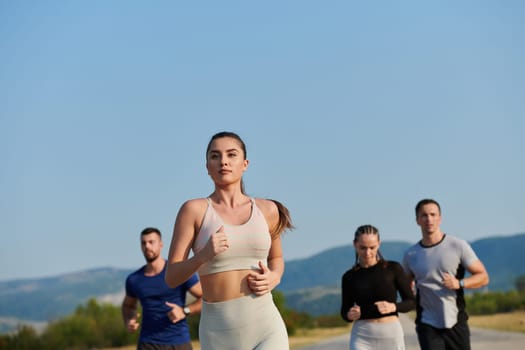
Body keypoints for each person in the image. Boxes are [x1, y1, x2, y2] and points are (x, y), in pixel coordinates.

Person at [164, 131, 294, 350]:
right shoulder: (193, 210)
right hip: (218, 332)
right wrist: (203, 255)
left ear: (245, 164)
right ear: (207, 166)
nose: (223, 161)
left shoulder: (268, 210)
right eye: (215, 156)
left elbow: (277, 258)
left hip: (265, 324)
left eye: (231, 155)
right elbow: (171, 277)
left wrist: (275, 276)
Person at [402, 199, 490, 350]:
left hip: (455, 321)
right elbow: (404, 285)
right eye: (424, 215)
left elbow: (483, 277)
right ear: (417, 220)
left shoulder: (457, 245)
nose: (429, 219)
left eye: (433, 214)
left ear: (440, 218)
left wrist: (459, 283)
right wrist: (408, 289)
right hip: (427, 323)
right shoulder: (411, 254)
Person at [122, 227, 203, 350]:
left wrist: (184, 311)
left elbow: (206, 297)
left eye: (151, 242)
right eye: (143, 243)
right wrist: (129, 319)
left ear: (161, 244)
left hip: (178, 342)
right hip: (147, 343)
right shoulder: (134, 279)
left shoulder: (177, 271)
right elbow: (128, 306)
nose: (147, 246)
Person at [340, 224, 415, 350]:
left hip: (391, 335)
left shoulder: (393, 269)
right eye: (362, 248)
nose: (368, 252)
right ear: (355, 245)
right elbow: (344, 311)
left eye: (372, 247)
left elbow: (411, 302)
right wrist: (349, 315)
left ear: (379, 243)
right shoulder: (349, 277)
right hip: (362, 336)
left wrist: (393, 306)